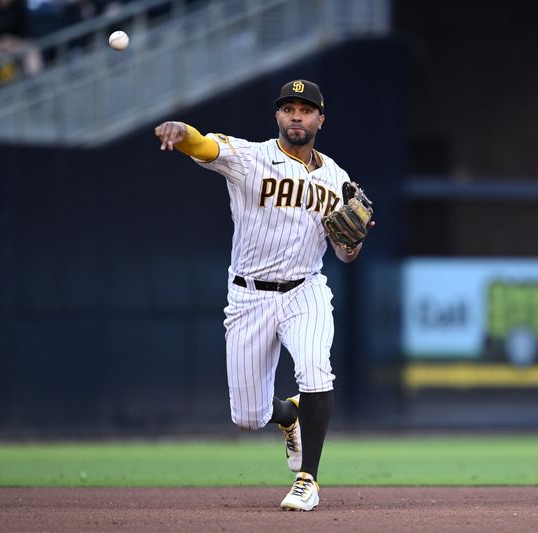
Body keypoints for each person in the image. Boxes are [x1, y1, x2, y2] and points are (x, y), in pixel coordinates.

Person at [154, 79, 374, 511]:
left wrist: (355, 239)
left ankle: (308, 480)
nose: (297, 115)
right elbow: (205, 147)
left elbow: (346, 255)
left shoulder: (336, 178)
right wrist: (182, 132)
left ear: (320, 120)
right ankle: (289, 415)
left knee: (315, 369)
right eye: (289, 108)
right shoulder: (251, 158)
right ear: (277, 116)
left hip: (305, 290)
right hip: (248, 297)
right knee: (248, 417)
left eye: (306, 109)